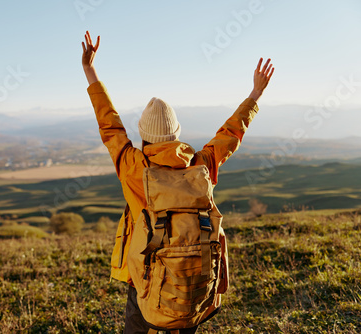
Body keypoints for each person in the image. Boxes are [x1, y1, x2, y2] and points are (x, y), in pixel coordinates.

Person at [81, 31, 274, 334]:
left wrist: (90, 71)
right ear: (176, 134)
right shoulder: (201, 165)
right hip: (192, 282)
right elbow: (230, 135)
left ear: (143, 134)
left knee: (139, 315)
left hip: (143, 279)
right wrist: (254, 95)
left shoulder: (134, 167)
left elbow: (110, 125)